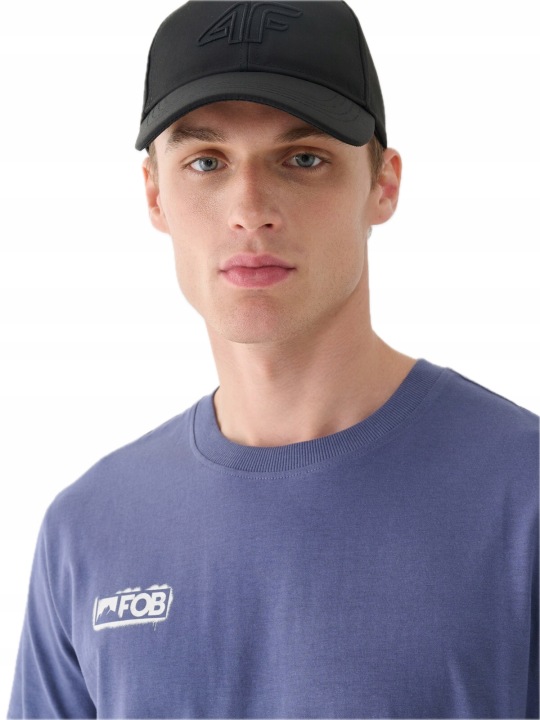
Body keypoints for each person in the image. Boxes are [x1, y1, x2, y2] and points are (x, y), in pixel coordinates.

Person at [7, 1, 539, 717]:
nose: (250, 208)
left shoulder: (522, 494)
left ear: (383, 184)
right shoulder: (88, 530)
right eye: (206, 162)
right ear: (155, 194)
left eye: (303, 159)